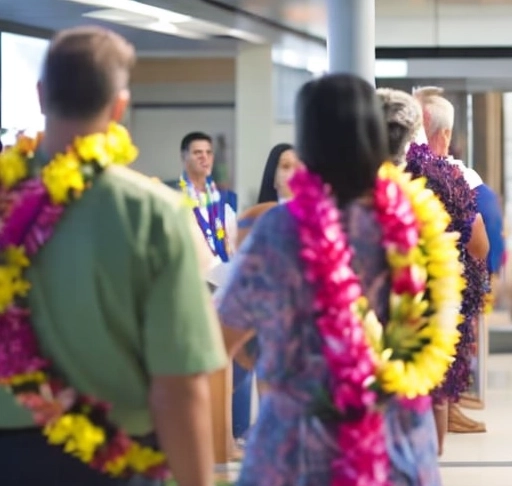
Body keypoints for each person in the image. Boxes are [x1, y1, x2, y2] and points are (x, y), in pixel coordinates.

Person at [0, 26, 226, 486]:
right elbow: (179, 384)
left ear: (42, 96)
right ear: (119, 107)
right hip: (118, 461)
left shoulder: (6, 198)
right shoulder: (154, 214)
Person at [215, 74, 453, 485]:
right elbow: (434, 334)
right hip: (397, 452)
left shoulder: (282, 229)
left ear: (309, 145)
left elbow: (220, 340)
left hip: (297, 454)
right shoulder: (420, 228)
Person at [237, 143, 301, 247]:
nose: (293, 173)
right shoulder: (253, 217)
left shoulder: (317, 219)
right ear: (273, 178)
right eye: (286, 166)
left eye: (298, 167)